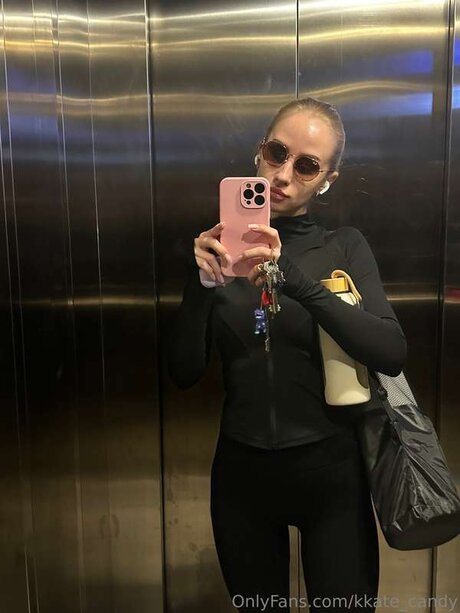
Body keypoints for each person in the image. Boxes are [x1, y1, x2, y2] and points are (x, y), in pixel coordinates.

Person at [167, 97, 407, 612]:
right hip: (242, 480)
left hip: (332, 478)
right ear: (260, 151)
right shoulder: (217, 252)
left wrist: (295, 280)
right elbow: (184, 372)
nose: (282, 175)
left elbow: (390, 351)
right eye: (277, 153)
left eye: (306, 165)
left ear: (327, 180)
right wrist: (200, 286)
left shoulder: (343, 247)